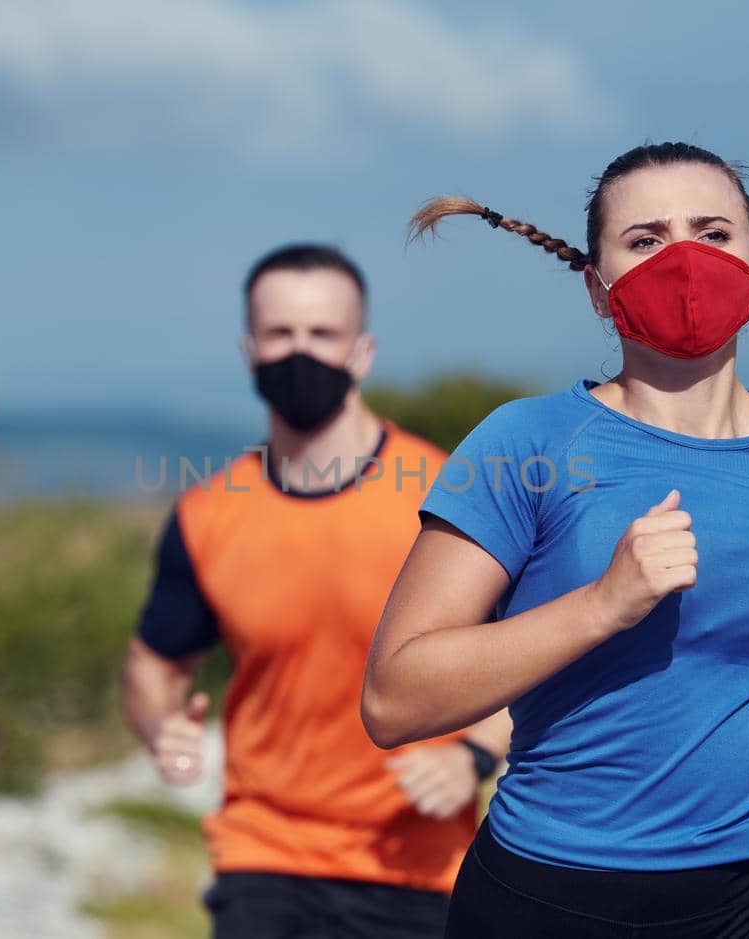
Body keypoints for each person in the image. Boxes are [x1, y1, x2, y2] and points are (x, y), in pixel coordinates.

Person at [359, 142, 749, 938]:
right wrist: (601, 606)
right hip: (552, 898)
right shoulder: (526, 443)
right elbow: (393, 698)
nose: (684, 258)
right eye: (645, 240)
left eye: (713, 233)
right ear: (595, 285)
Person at [122, 244, 513, 939]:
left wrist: (472, 755)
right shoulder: (209, 515)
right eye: (279, 334)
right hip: (262, 849)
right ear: (248, 349)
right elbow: (154, 664)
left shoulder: (447, 495)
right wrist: (161, 725)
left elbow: (528, 659)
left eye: (322, 334)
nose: (299, 353)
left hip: (415, 860)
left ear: (362, 351)